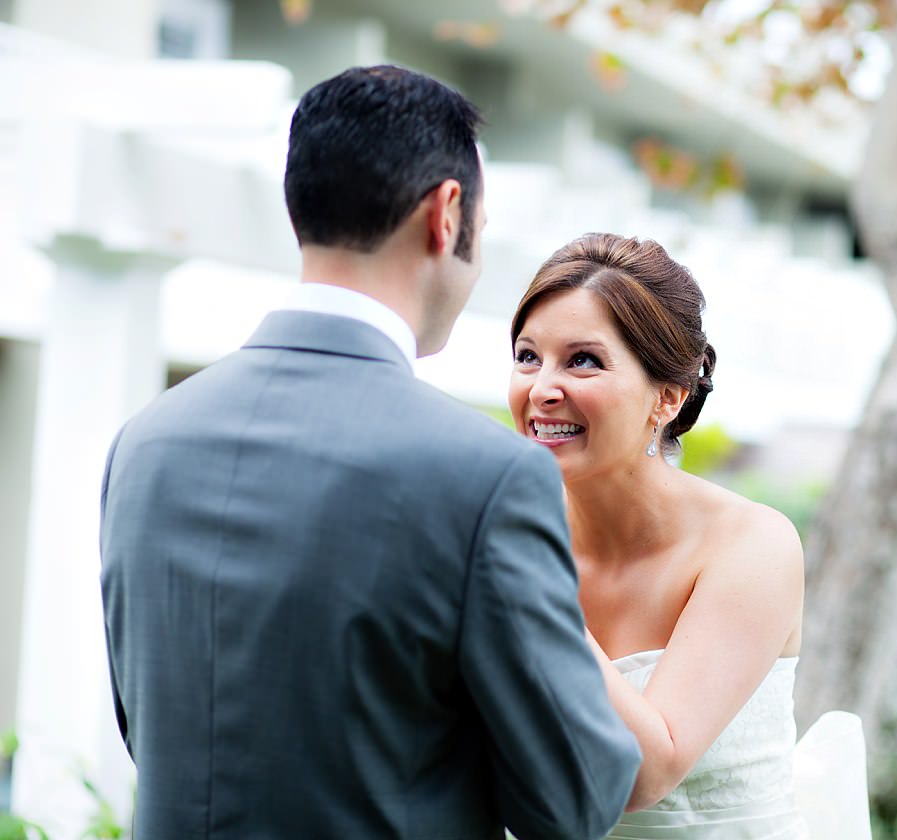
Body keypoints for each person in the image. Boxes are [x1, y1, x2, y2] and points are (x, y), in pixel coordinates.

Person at [99, 67, 640, 839]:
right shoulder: (487, 475)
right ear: (445, 216)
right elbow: (575, 797)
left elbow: (149, 727)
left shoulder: (146, 442)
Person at [508, 233, 872, 838]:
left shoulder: (752, 547)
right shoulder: (507, 532)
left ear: (668, 398)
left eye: (583, 361)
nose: (542, 388)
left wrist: (523, 575)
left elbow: (647, 772)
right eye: (527, 356)